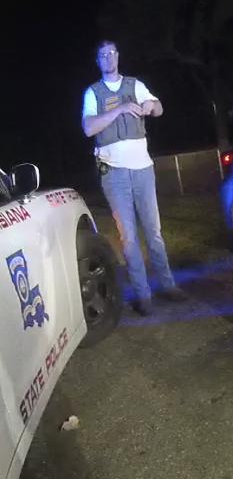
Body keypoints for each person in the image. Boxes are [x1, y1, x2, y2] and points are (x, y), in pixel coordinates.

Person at [81, 40, 186, 316]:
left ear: (118, 56)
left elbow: (159, 108)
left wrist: (150, 105)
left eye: (112, 53)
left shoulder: (134, 85)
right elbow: (89, 128)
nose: (108, 58)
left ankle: (168, 285)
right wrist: (119, 109)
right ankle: (143, 295)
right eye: (102, 54)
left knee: (154, 232)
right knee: (128, 237)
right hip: (113, 173)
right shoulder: (93, 93)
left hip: (143, 169)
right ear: (97, 61)